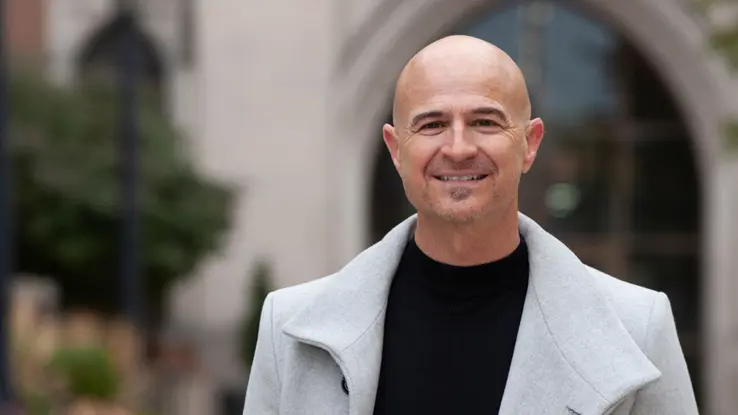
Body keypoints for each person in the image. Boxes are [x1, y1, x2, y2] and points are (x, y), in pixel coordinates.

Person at [242, 35, 699, 415]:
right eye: (432, 124)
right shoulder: (289, 330)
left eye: (484, 121)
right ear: (396, 148)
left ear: (530, 143)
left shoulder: (637, 328)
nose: (458, 147)